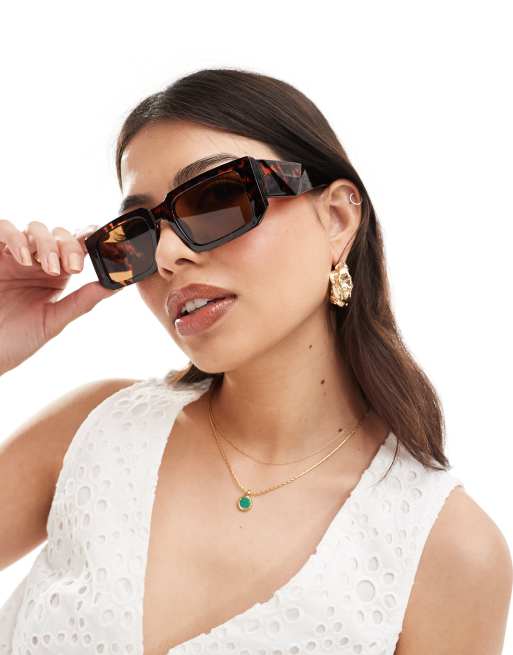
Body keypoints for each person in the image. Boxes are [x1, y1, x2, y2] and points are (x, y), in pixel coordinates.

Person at [0, 68, 511, 655]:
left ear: (337, 220)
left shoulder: (447, 551)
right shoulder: (93, 432)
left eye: (216, 200)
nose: (167, 256)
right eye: (138, 233)